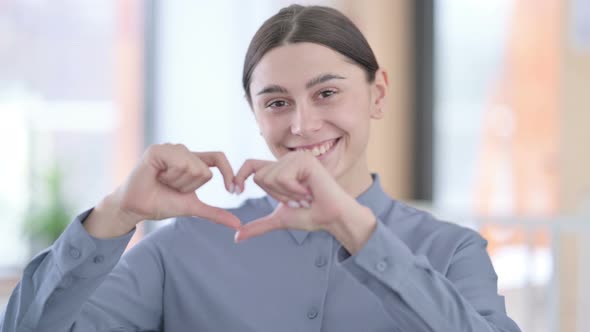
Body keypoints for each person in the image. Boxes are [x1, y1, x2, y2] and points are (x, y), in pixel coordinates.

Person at [0, 4, 521, 332]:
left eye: (327, 93)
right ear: (255, 114)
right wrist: (116, 212)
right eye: (276, 103)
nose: (303, 124)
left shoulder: (452, 251)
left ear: (377, 94)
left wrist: (355, 229)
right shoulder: (183, 248)